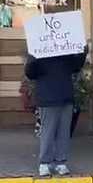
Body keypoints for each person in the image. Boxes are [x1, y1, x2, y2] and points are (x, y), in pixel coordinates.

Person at [24, 47, 88, 176]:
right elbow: (30, 73)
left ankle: (61, 162)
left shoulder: (64, 51)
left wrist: (82, 53)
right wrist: (33, 57)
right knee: (48, 132)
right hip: (48, 98)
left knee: (64, 132)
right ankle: (44, 163)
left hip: (65, 97)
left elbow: (75, 67)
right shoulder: (39, 51)